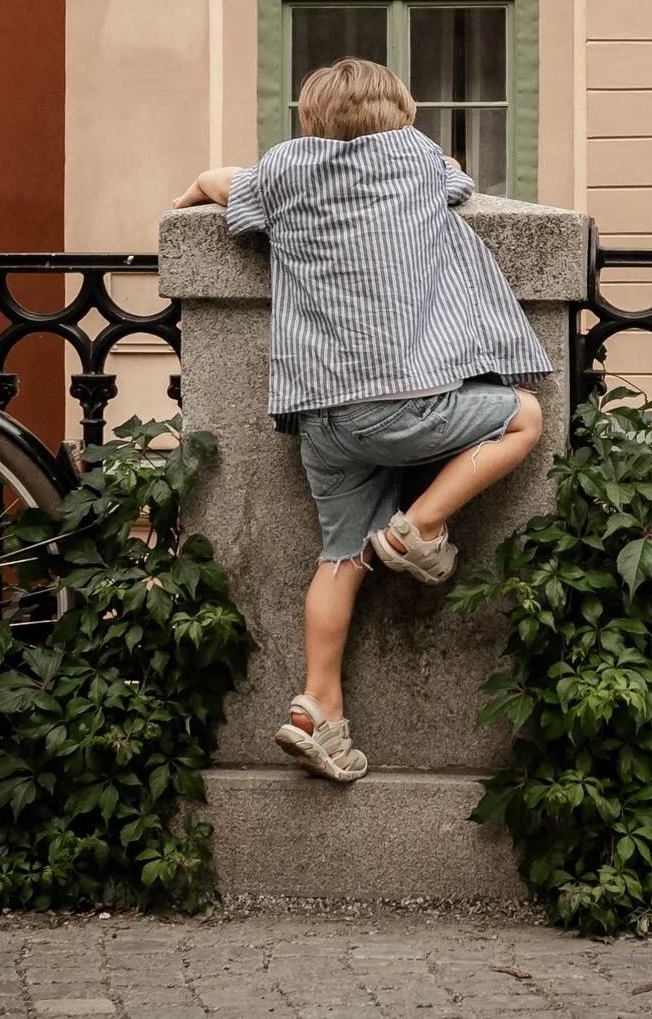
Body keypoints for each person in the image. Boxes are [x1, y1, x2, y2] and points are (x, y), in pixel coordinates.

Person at [172, 58, 550, 784]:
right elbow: (454, 174)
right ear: (399, 111)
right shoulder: (412, 159)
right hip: (408, 401)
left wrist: (191, 190)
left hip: (323, 414)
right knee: (523, 417)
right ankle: (422, 526)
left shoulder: (284, 169)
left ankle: (317, 708)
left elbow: (225, 185)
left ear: (311, 117)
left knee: (339, 557)